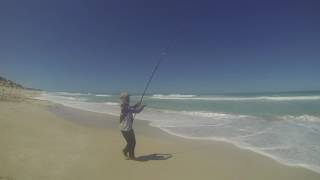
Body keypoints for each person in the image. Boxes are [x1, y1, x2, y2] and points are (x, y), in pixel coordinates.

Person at [119, 92, 145, 160]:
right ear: (124, 99)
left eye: (128, 97)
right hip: (125, 129)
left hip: (128, 128)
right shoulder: (124, 107)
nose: (129, 99)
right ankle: (125, 151)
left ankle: (131, 155)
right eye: (127, 98)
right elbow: (137, 111)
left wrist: (137, 104)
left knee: (132, 142)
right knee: (131, 143)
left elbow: (132, 108)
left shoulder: (126, 106)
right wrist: (142, 107)